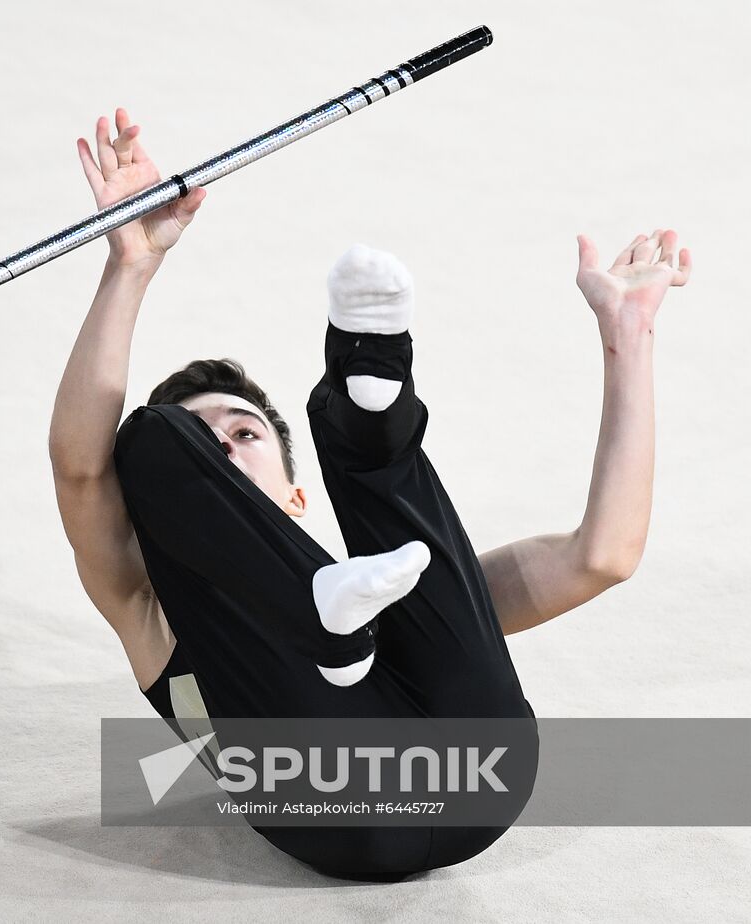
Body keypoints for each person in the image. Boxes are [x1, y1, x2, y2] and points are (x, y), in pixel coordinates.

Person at [48, 107, 693, 878]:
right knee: (148, 434)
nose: (223, 442)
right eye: (208, 446)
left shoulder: (391, 596)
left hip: (478, 774)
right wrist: (131, 264)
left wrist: (629, 335)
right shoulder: (147, 608)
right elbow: (82, 469)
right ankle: (318, 596)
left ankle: (368, 420)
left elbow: (604, 556)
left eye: (245, 434)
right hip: (336, 811)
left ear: (294, 499)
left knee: (400, 550)